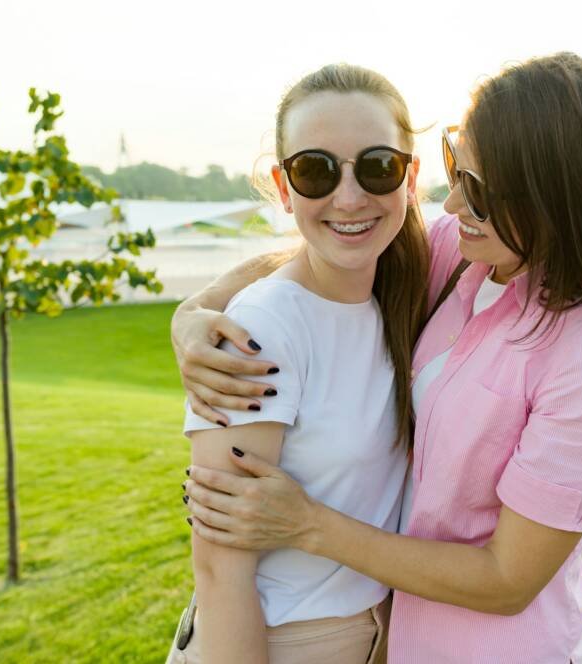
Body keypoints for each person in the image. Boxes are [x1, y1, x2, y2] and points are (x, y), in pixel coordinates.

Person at [176, 52, 582, 663]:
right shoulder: (467, 254)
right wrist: (196, 310)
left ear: (554, 201)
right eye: (459, 170)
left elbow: (508, 580)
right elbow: (337, 245)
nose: (453, 207)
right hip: (390, 637)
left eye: (478, 192)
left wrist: (308, 525)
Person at [167, 63, 430, 664]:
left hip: (374, 636)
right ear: (284, 188)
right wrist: (197, 310)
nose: (349, 196)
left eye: (377, 165)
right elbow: (220, 568)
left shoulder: (396, 287)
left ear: (409, 178)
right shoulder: (260, 330)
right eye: (315, 170)